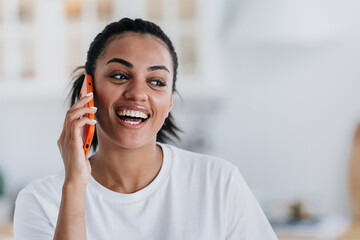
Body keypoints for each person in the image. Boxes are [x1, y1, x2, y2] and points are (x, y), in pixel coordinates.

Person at [13, 18, 278, 239]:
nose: (138, 93)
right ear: (89, 89)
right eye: (120, 75)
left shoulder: (220, 183)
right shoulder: (40, 201)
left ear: (170, 101)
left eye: (157, 81)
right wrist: (74, 186)